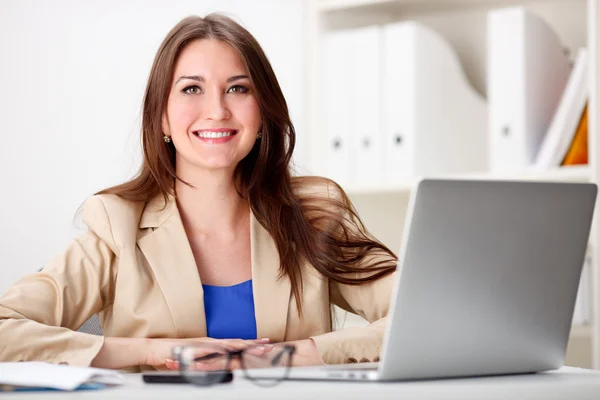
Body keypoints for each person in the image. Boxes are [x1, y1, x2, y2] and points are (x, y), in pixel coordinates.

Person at [0, 13, 397, 372]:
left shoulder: (315, 216)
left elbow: (426, 318)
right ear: (161, 118)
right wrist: (154, 353)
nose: (217, 110)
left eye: (238, 89)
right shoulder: (117, 226)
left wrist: (289, 356)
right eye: (192, 89)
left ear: (263, 115)